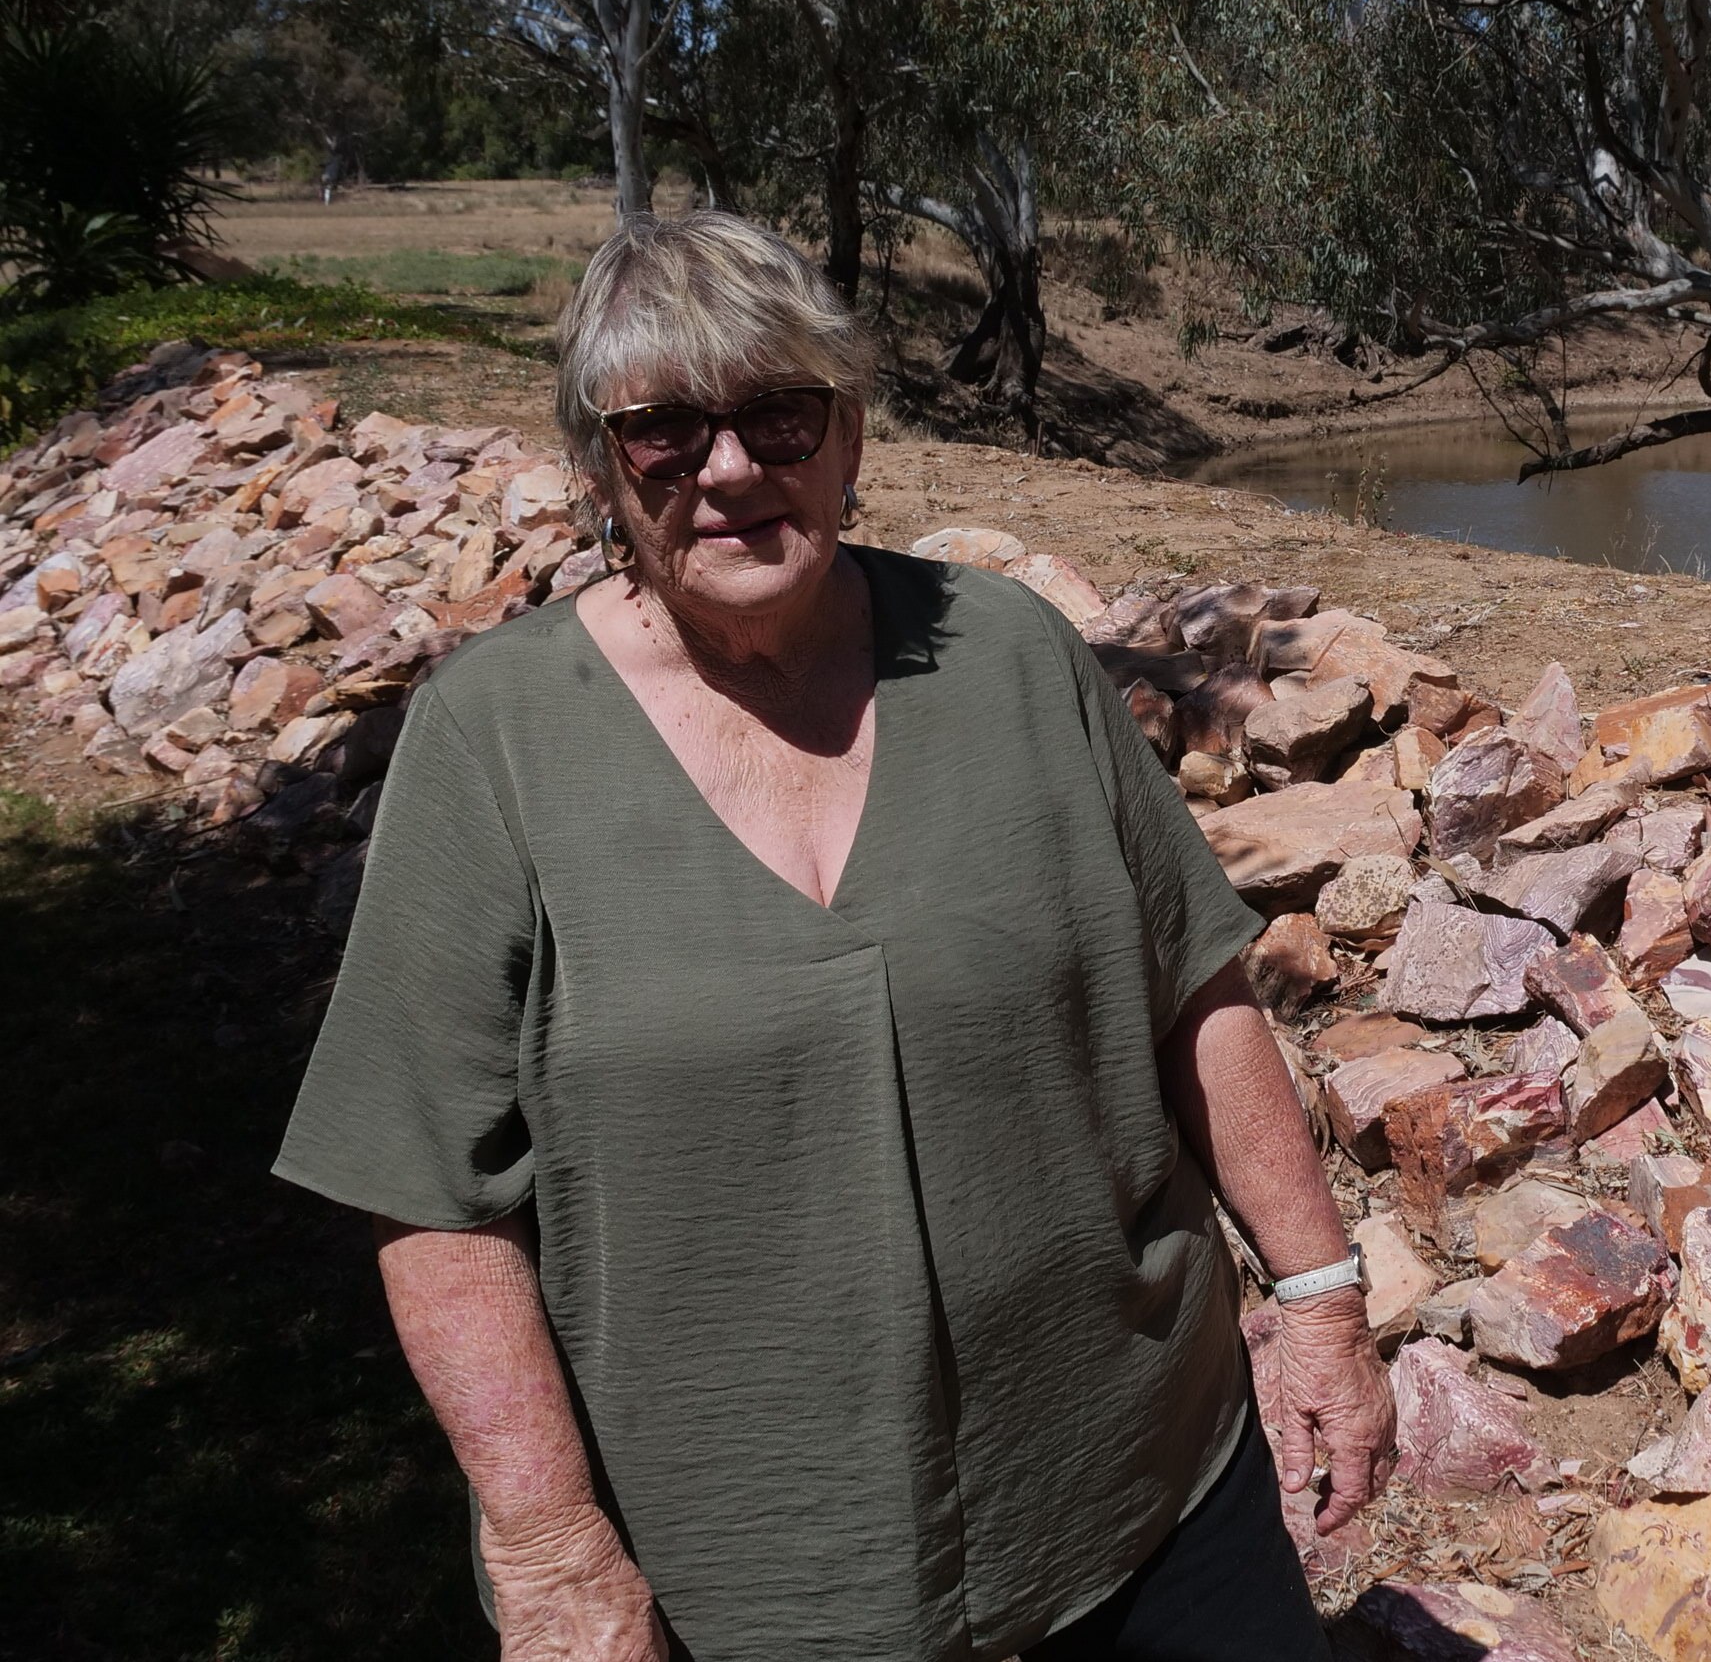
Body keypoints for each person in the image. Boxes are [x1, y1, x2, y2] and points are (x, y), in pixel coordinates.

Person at [274, 211, 1394, 1661]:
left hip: (1145, 1499)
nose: (731, 469)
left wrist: (1318, 1305)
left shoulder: (1006, 655)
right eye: (665, 431)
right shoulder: (494, 739)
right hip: (745, 1579)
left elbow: (1194, 987)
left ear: (851, 436)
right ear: (604, 465)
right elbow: (431, 1189)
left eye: (779, 416)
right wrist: (550, 1542)